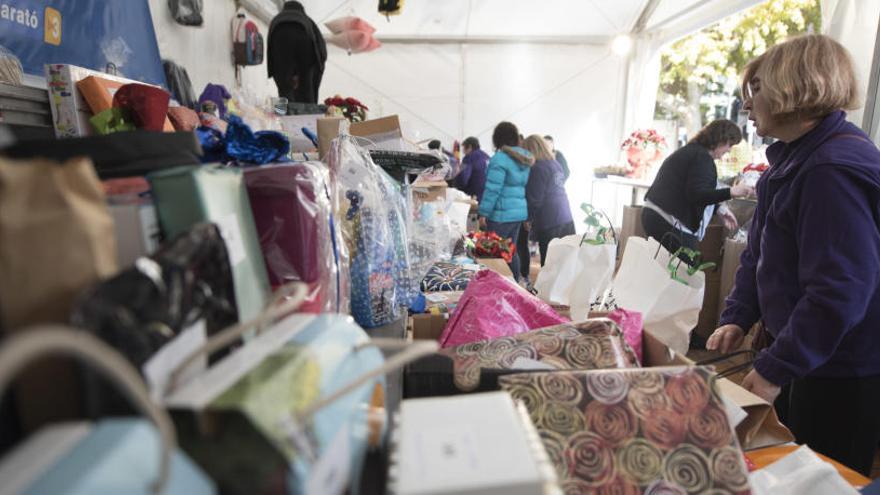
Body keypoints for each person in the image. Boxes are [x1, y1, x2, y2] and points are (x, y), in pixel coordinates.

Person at [706, 34, 880, 476]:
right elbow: (759, 253)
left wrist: (776, 367)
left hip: (844, 366)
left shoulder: (830, 169)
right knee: (800, 463)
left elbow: (838, 290)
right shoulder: (791, 163)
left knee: (826, 474)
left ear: (794, 87)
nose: (747, 105)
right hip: (812, 356)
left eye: (756, 90)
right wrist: (738, 314)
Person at [641, 120, 753, 260]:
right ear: (721, 139)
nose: (729, 150)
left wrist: (718, 208)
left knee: (662, 272)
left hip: (657, 217)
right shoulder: (702, 158)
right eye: (729, 144)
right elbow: (696, 194)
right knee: (685, 275)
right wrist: (732, 192)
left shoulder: (693, 152)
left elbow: (693, 189)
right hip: (669, 222)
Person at [478, 122, 534, 282]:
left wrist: (483, 213)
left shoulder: (500, 159)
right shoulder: (523, 158)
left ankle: (503, 285)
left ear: (497, 139)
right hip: (517, 213)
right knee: (510, 251)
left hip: (500, 215)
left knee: (495, 254)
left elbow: (492, 189)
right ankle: (515, 283)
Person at [522, 134, 575, 265]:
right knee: (564, 263)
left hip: (550, 220)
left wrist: (528, 218)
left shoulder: (537, 168)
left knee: (549, 264)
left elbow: (535, 199)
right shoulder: (555, 164)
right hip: (566, 217)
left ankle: (546, 286)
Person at [268, 1, 327, 104]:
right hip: (305, 47)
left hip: (279, 44)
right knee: (306, 89)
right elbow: (321, 51)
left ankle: (282, 117)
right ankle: (308, 116)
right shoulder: (308, 21)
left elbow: (271, 52)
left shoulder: (276, 20)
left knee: (284, 89)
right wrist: (310, 73)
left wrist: (284, 74)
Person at [454, 136, 490, 201]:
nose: (463, 151)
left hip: (474, 197)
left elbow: (462, 179)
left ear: (470, 147)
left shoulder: (468, 158)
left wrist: (454, 186)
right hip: (487, 195)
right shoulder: (487, 156)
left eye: (464, 148)